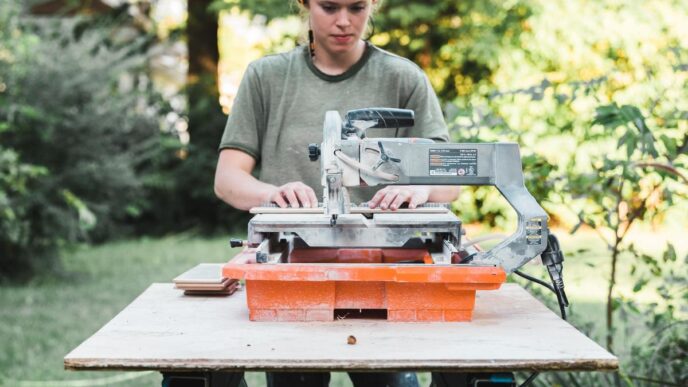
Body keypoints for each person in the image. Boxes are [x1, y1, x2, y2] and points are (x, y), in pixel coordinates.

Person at [214, 0, 459, 386]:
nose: (344, 21)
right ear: (304, 4)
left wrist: (418, 187)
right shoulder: (266, 76)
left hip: (384, 270)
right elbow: (228, 179)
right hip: (293, 270)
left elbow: (451, 180)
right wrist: (273, 193)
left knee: (390, 381)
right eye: (329, 7)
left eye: (357, 7)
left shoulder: (403, 77)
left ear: (373, 5)